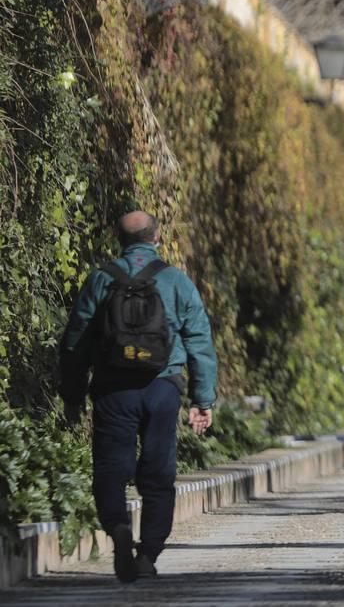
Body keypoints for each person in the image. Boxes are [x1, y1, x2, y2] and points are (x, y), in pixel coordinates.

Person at [58, 211, 218, 583]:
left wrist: (72, 394)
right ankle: (148, 554)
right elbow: (199, 341)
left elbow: (76, 340)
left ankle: (118, 529)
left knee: (111, 470)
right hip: (162, 388)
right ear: (157, 237)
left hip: (113, 390)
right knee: (159, 473)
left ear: (120, 240)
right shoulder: (176, 280)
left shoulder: (101, 279)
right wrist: (202, 399)